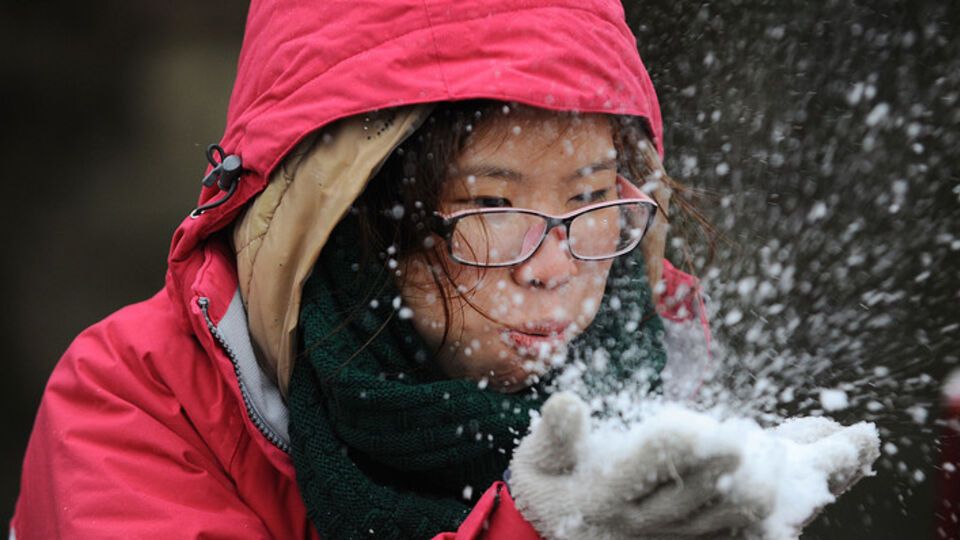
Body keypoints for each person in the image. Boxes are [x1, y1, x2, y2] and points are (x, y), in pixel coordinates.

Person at [12, 1, 877, 538]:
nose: (555, 269)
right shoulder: (137, 403)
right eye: (495, 212)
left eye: (589, 200)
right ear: (349, 216)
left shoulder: (655, 394)